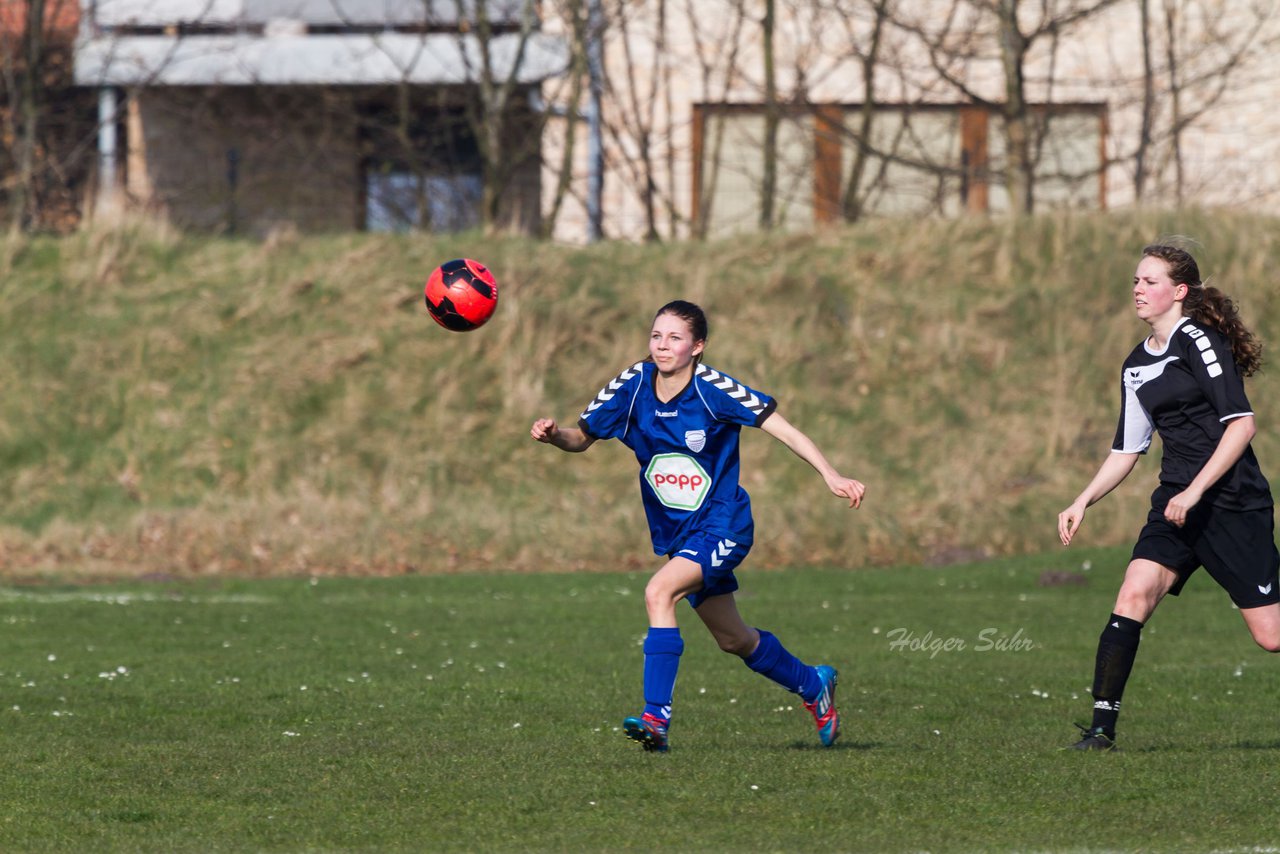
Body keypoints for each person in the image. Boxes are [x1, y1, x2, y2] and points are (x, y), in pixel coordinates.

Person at [531, 300, 866, 752]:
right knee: (733, 638)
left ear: (698, 346)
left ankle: (656, 720)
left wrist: (830, 473)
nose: (662, 345)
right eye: (656, 336)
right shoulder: (631, 386)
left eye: (674, 338)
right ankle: (812, 684)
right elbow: (582, 438)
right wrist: (555, 437)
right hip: (680, 533)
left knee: (658, 593)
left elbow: (784, 430)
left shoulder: (714, 389)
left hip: (724, 523)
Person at [1057, 243, 1278, 751]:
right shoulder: (1136, 364)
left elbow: (1243, 425)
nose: (1138, 289)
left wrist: (1198, 490)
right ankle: (1099, 731)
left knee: (1271, 637)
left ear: (1179, 293)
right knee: (1132, 594)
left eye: (1150, 281)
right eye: (1136, 281)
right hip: (1175, 505)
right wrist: (1081, 500)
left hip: (1231, 502)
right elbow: (1127, 450)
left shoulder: (1198, 341)